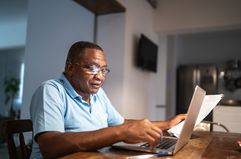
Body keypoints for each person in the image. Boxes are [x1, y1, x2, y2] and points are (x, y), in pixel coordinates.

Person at [30, 41, 186, 159]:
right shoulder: (51, 90)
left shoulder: (98, 95)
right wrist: (120, 132)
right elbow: (50, 146)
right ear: (70, 69)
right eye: (91, 68)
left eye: (103, 70)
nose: (100, 76)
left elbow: (121, 124)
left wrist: (167, 124)